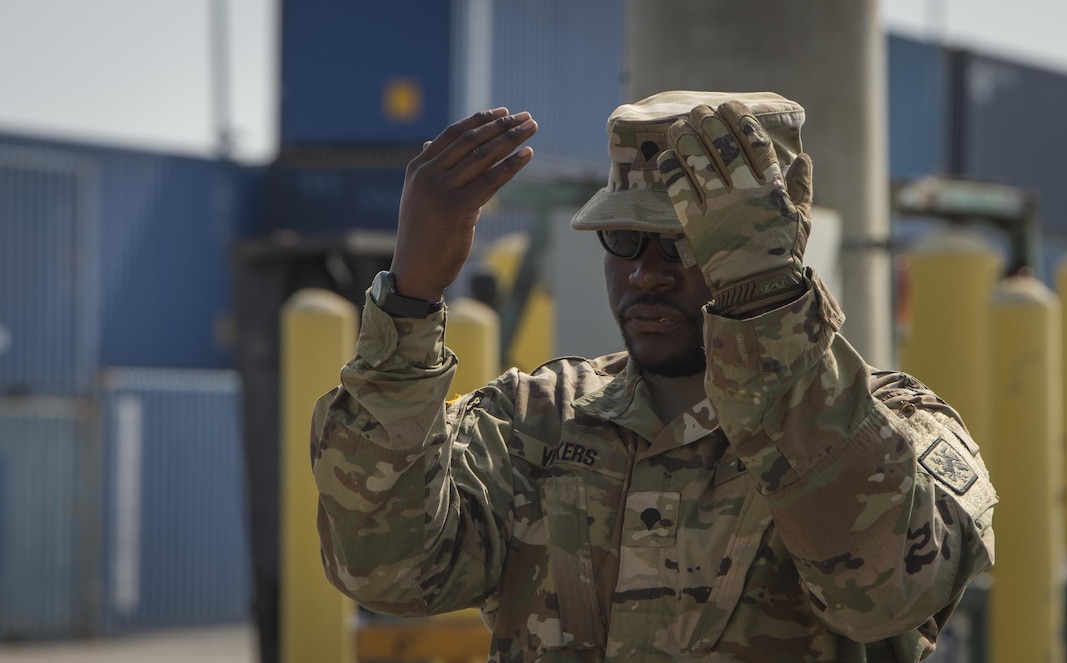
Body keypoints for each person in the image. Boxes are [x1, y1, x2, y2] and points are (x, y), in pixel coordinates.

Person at [310, 91, 997, 662]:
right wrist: (406, 306)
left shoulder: (897, 427)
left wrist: (765, 305)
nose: (645, 271)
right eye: (623, 240)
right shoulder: (534, 422)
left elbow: (887, 593)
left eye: (682, 244)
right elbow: (387, 568)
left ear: (773, 250)